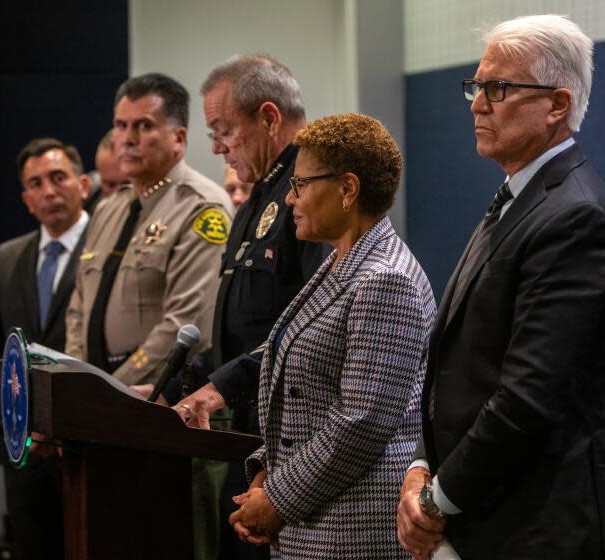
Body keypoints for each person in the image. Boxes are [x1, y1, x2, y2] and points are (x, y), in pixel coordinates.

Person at [396, 15, 605, 560]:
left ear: (557, 104)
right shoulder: (520, 197)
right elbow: (458, 368)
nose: (479, 103)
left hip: (531, 530)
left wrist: (435, 501)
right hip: (477, 518)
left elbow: (527, 399)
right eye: (476, 86)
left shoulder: (576, 218)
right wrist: (418, 467)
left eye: (498, 88)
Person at [229, 113, 435, 559]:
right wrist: (267, 472)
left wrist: (278, 498)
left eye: (301, 184)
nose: (288, 198)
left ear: (347, 189)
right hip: (318, 521)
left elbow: (362, 423)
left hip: (352, 532)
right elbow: (304, 401)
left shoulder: (385, 278)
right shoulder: (342, 261)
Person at [157, 54, 328, 560]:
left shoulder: (309, 190)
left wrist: (222, 386)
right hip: (250, 437)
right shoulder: (256, 199)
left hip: (293, 444)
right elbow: (239, 328)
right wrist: (173, 388)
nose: (216, 147)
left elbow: (311, 319)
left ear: (270, 118)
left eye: (223, 130)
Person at [65, 72, 233, 385]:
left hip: (156, 400)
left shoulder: (202, 208)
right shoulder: (106, 209)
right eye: (121, 126)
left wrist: (113, 388)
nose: (127, 139)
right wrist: (80, 378)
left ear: (179, 139)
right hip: (95, 398)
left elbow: (186, 323)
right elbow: (78, 307)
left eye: (144, 126)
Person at [0, 137, 91, 560]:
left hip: (89, 440)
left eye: (58, 178)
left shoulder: (110, 250)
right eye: (36, 183)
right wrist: (10, 412)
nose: (48, 191)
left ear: (83, 184)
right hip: (22, 446)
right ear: (26, 199)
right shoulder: (5, 259)